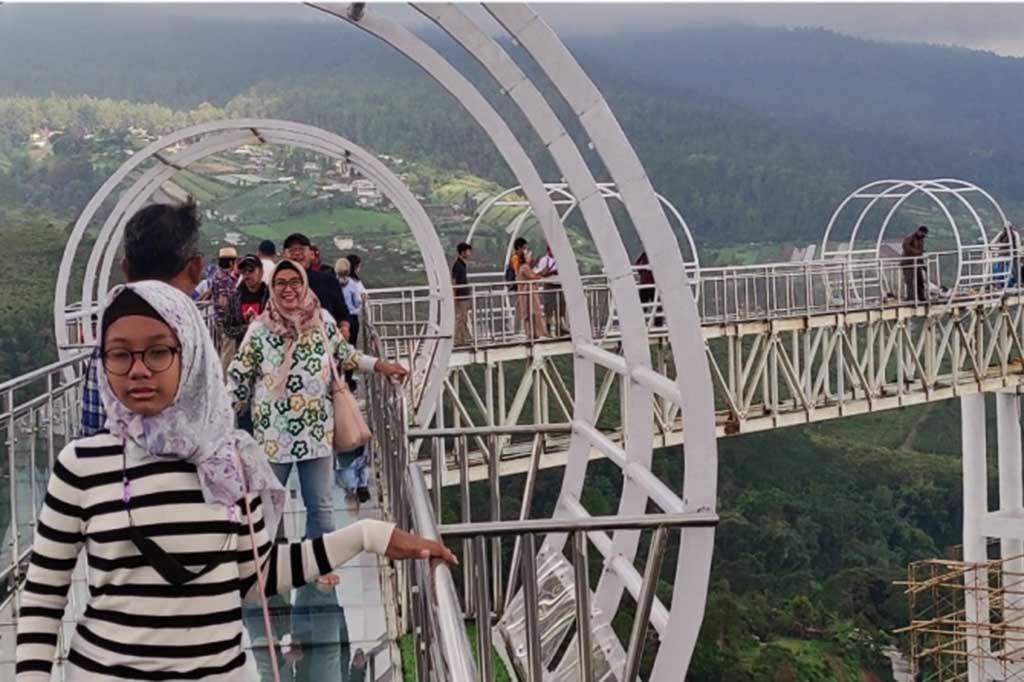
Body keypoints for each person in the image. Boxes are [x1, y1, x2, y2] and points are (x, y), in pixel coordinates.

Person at [16, 280, 455, 682]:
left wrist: (369, 535)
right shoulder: (82, 465)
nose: (138, 370)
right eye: (119, 353)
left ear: (190, 354)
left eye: (157, 351)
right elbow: (43, 594)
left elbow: (256, 576)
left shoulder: (230, 463)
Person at [226, 262, 409, 580]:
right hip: (273, 435)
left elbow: (345, 354)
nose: (288, 288)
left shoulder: (321, 320)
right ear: (272, 287)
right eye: (280, 282)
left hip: (315, 431)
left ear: (305, 283)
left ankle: (319, 568)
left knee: (321, 506)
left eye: (295, 281)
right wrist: (221, 422)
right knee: (266, 505)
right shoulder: (259, 330)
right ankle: (260, 566)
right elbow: (239, 378)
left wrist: (380, 364)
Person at [80, 200, 206, 437]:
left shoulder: (111, 343)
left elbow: (92, 431)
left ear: (126, 269)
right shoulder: (198, 344)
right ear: (195, 268)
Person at [283, 233, 351, 335]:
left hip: (326, 343)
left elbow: (343, 313)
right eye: (292, 250)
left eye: (301, 249)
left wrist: (345, 328)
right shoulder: (277, 286)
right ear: (284, 256)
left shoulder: (329, 281)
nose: (297, 253)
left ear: (311, 254)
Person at [341, 254, 368, 391]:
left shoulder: (339, 280)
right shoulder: (354, 283)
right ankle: (348, 378)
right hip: (352, 317)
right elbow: (358, 300)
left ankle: (341, 376)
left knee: (342, 347)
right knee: (350, 347)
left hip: (341, 318)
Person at [517, 246, 551, 339]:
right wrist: (543, 274)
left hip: (529, 294)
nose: (530, 257)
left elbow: (534, 275)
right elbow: (533, 277)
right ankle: (537, 333)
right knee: (532, 313)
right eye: (529, 255)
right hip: (528, 295)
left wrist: (542, 272)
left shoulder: (525, 267)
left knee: (532, 314)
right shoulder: (524, 267)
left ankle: (534, 333)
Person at [535, 245, 565, 336]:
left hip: (560, 285)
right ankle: (548, 329)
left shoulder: (560, 258)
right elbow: (541, 274)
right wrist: (552, 272)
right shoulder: (544, 260)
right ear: (548, 251)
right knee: (549, 308)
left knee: (561, 307)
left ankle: (560, 328)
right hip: (549, 285)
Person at [452, 242, 473, 346]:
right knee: (461, 317)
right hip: (461, 295)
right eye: (468, 251)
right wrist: (455, 295)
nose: (469, 254)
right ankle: (457, 339)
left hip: (464, 294)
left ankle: (463, 338)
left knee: (463, 317)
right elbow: (454, 280)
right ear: (463, 252)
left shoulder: (462, 264)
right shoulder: (458, 264)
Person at [901, 225, 929, 302]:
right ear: (919, 231)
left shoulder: (921, 240)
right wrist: (916, 252)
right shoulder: (910, 237)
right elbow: (905, 246)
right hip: (908, 263)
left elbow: (920, 253)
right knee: (910, 281)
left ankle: (921, 297)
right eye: (923, 234)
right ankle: (911, 298)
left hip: (917, 262)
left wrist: (923, 265)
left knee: (920, 280)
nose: (923, 236)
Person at [635, 251, 662, 327]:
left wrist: (643, 271)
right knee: (655, 305)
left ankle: (645, 324)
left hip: (647, 284)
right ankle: (657, 324)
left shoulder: (645, 254)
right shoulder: (654, 254)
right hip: (652, 284)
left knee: (645, 305)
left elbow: (637, 264)